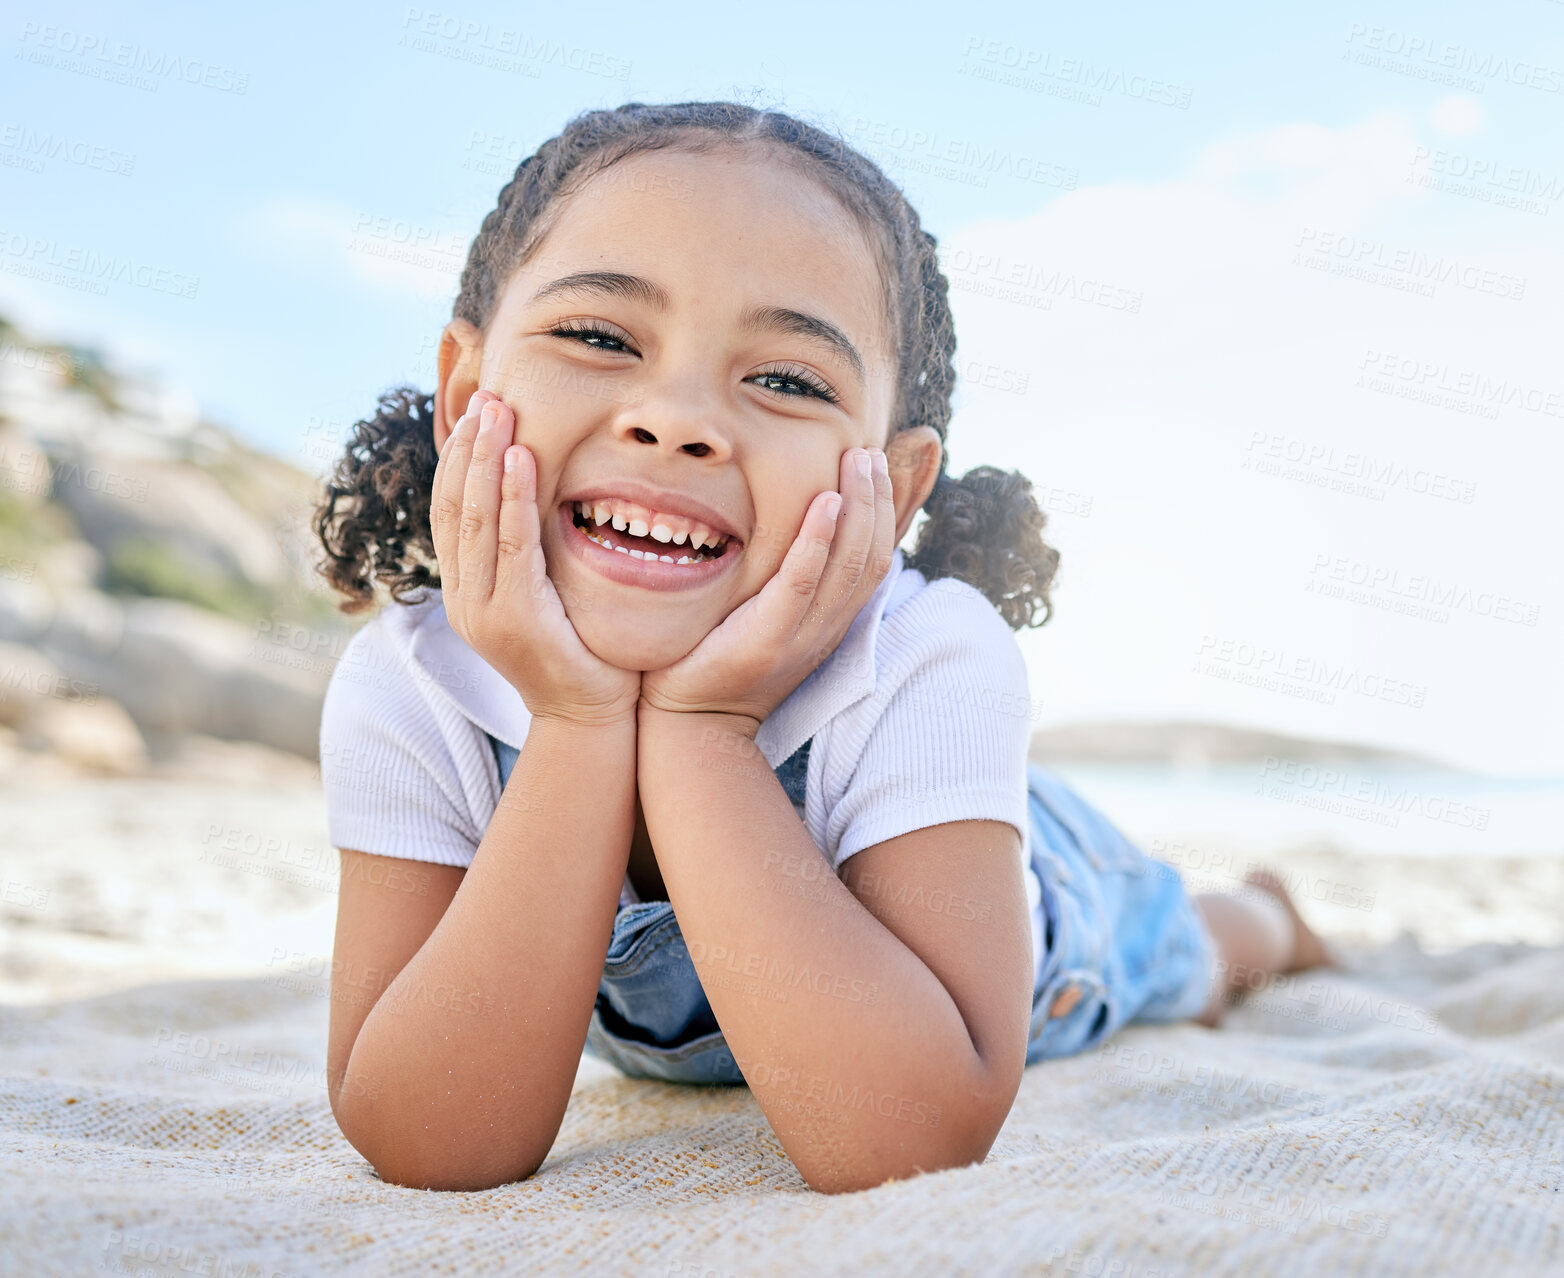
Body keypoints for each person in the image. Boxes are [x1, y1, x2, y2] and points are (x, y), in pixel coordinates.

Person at [312, 100, 1339, 1196]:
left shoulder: (927, 661)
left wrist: (705, 734)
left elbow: (905, 1137)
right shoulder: (414, 686)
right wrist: (575, 725)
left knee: (1187, 949)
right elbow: (427, 1139)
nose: (676, 418)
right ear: (468, 396)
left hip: (1036, 917)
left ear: (889, 488)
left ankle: (1275, 918)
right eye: (600, 337)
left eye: (789, 380)